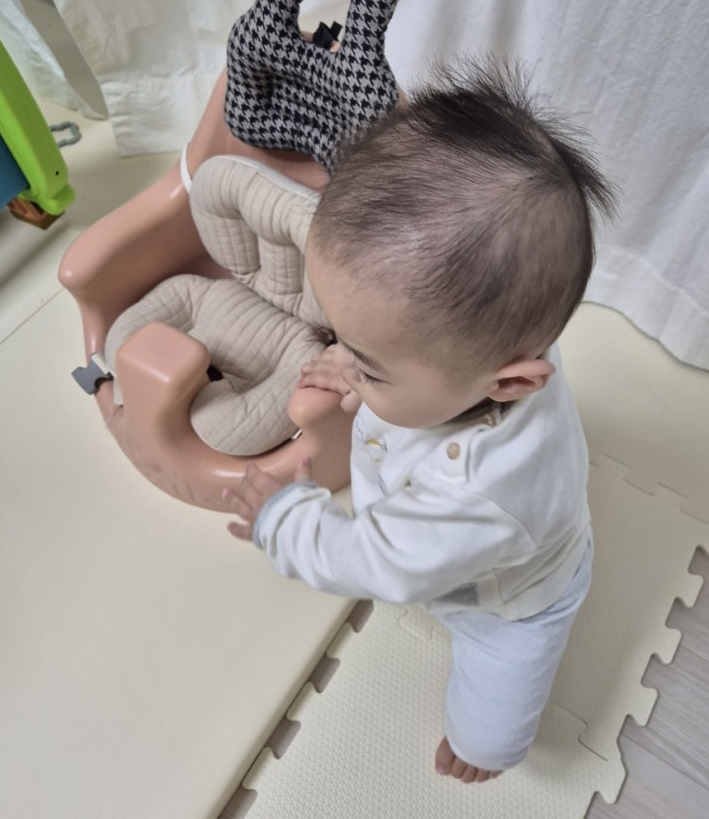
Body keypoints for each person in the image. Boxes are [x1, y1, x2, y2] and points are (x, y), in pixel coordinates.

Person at [223, 55, 616, 785]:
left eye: (369, 363)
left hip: (509, 602)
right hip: (458, 517)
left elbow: (373, 560)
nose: (339, 357)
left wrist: (285, 521)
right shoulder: (495, 340)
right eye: (340, 335)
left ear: (510, 382)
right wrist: (359, 366)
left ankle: (488, 752)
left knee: (491, 729)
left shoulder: (474, 493)